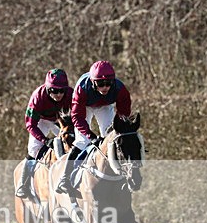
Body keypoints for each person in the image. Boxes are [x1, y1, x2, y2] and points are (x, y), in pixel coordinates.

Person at [55, 60, 132, 194]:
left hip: (105, 106)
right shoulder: (82, 89)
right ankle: (65, 178)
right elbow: (77, 118)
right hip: (85, 107)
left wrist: (121, 127)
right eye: (100, 84)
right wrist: (91, 136)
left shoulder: (120, 88)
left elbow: (124, 113)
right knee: (82, 141)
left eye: (108, 83)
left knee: (112, 138)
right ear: (93, 82)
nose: (105, 87)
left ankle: (121, 174)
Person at [15, 69, 73, 198]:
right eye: (54, 91)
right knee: (34, 149)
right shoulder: (37, 97)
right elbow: (30, 125)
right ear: (47, 89)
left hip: (59, 120)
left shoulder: (70, 94)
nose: (58, 94)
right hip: (40, 120)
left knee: (74, 142)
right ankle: (23, 184)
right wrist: (45, 140)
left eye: (61, 90)